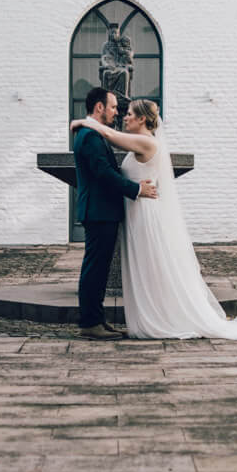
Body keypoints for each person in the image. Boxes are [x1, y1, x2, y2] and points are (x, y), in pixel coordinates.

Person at [70, 99, 237, 341]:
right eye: (122, 112)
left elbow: (109, 134)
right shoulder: (140, 142)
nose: (124, 116)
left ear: (142, 119)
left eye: (129, 114)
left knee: (152, 268)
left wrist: (81, 122)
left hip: (144, 215)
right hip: (135, 212)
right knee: (145, 268)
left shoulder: (146, 141)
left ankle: (160, 318)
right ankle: (146, 315)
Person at [72, 87, 157, 340]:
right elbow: (103, 173)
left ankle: (97, 319)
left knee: (99, 268)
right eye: (112, 107)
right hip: (98, 212)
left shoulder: (90, 133)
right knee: (95, 269)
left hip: (102, 211)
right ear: (99, 108)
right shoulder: (89, 136)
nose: (116, 112)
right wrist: (136, 189)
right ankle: (90, 323)